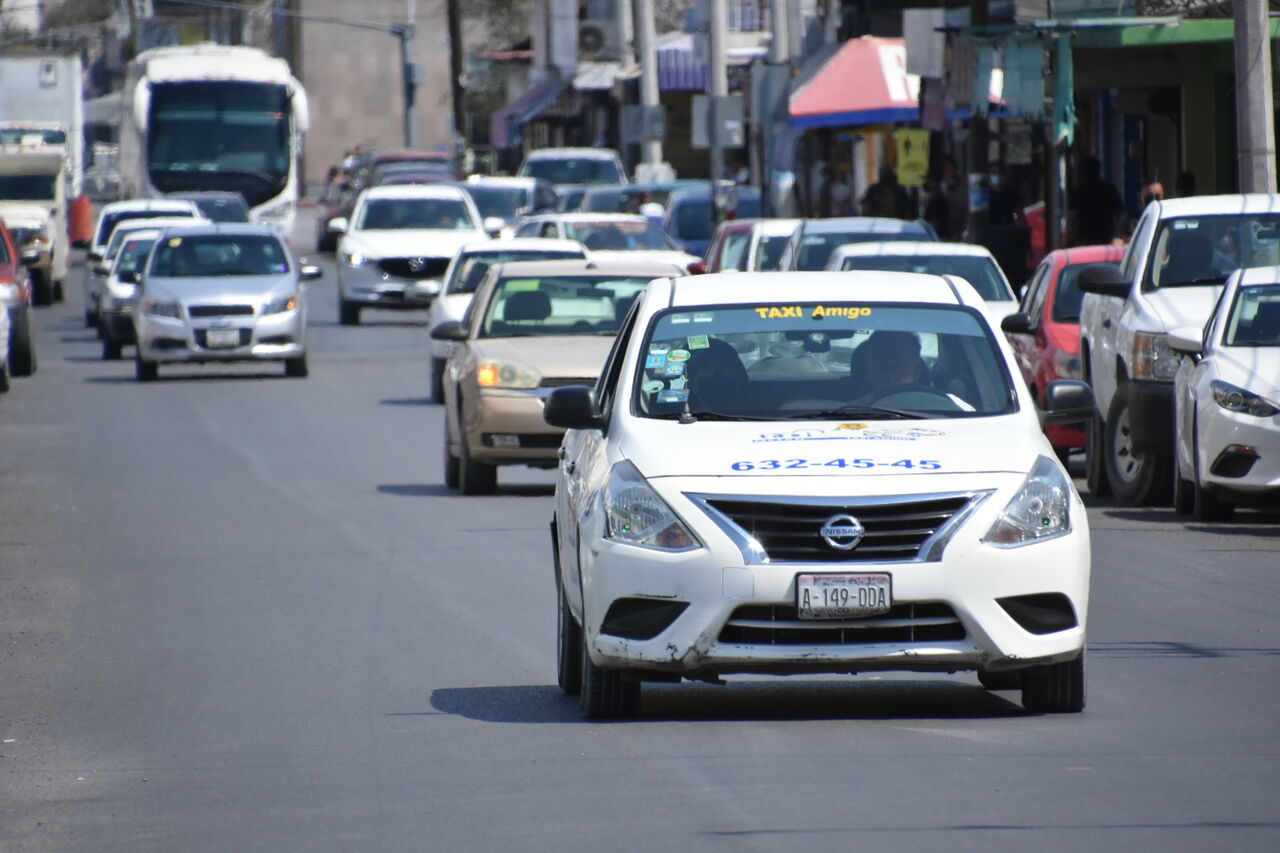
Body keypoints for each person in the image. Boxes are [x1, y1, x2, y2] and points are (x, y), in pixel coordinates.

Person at [1067, 155, 1125, 246]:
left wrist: (1070, 239)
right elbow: (1120, 214)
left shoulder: (1078, 192)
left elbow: (1072, 218)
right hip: (1105, 238)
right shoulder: (1108, 189)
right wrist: (1119, 235)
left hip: (1084, 240)